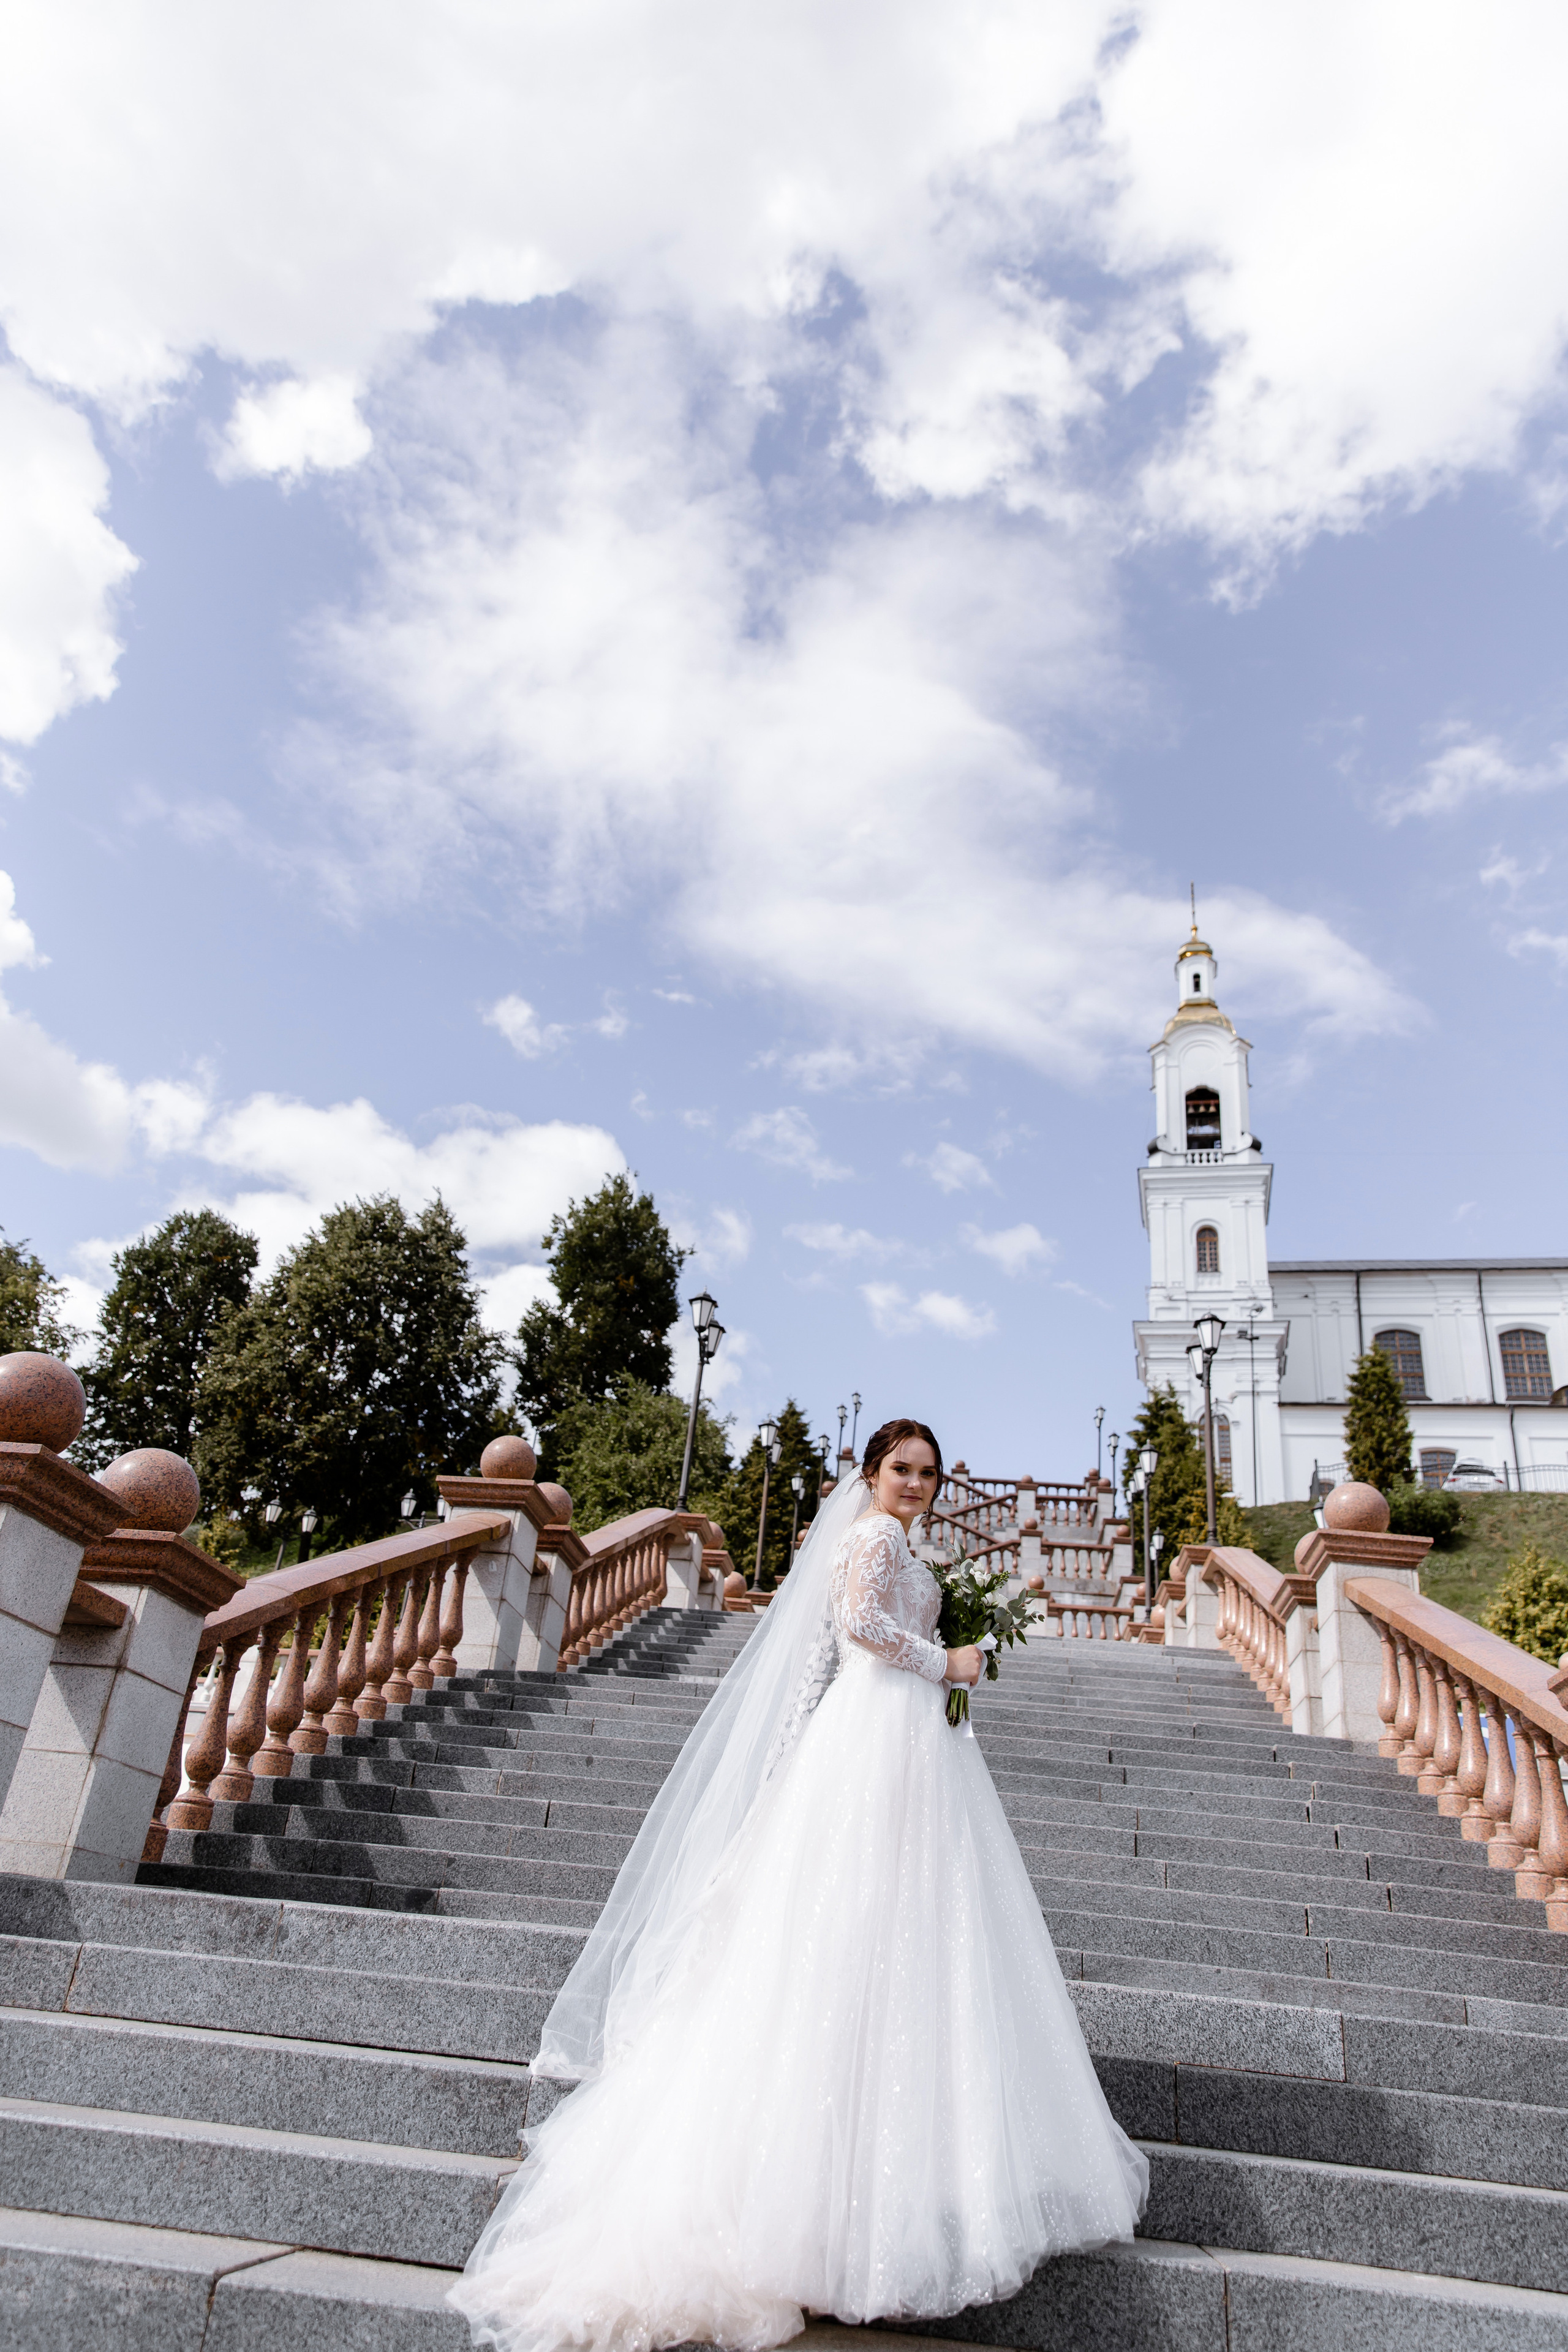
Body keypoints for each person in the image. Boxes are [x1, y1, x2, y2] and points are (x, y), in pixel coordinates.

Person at [452, 1417, 1147, 2352]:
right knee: (858, 1923)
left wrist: (942, 1659)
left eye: (928, 1472)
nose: (916, 1483)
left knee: (899, 1929)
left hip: (904, 1736)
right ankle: (826, 2223)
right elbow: (859, 1627)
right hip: (876, 1733)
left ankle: (864, 2211)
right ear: (872, 1474)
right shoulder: (873, 1536)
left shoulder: (900, 1542)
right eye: (901, 1469)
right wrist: (945, 1660)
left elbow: (863, 1632)